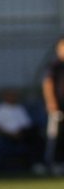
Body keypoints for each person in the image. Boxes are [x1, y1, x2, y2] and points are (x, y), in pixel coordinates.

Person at [0, 89, 43, 170]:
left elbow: (27, 124)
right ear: (5, 97)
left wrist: (20, 132)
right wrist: (11, 134)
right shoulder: (0, 108)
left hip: (22, 134)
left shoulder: (19, 108)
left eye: (14, 95)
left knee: (38, 137)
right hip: (6, 135)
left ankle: (38, 164)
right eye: (10, 95)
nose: (13, 97)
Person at [42, 36, 64, 175]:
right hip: (58, 107)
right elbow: (48, 84)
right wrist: (52, 103)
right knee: (55, 136)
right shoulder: (55, 66)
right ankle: (51, 163)